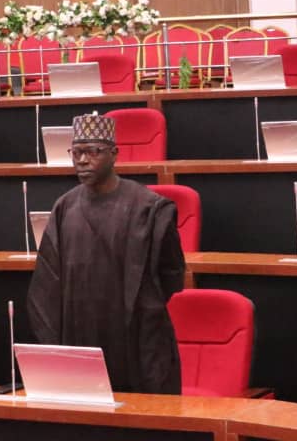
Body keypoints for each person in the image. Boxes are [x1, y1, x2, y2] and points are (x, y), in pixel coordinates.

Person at [27, 113, 186, 393]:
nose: (82, 160)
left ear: (114, 154)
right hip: (78, 332)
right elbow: (46, 281)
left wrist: (140, 307)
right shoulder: (65, 206)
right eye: (76, 152)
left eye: (93, 152)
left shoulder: (148, 208)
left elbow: (171, 275)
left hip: (134, 336)